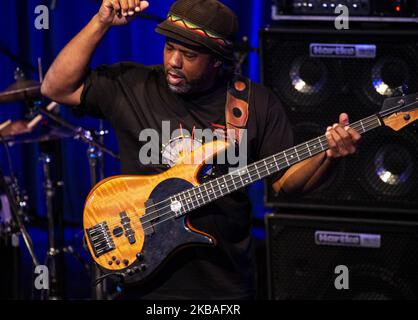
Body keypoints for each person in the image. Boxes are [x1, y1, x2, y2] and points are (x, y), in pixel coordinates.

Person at [41, 0, 361, 299]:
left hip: (222, 284)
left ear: (218, 63)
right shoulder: (132, 85)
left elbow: (287, 183)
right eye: (169, 48)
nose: (174, 62)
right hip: (145, 277)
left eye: (189, 55)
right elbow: (54, 87)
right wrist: (101, 22)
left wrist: (328, 155)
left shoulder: (255, 104)